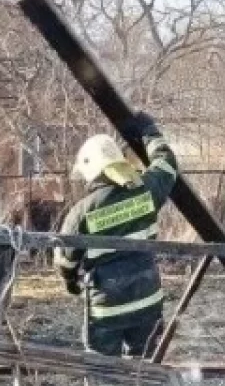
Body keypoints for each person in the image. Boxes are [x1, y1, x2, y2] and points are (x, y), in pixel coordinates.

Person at [55, 114, 179, 358]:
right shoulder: (145, 191)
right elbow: (167, 164)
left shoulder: (81, 212)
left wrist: (71, 283)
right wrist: (149, 131)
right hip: (147, 300)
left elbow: (65, 261)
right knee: (145, 367)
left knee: (103, 371)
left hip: (106, 310)